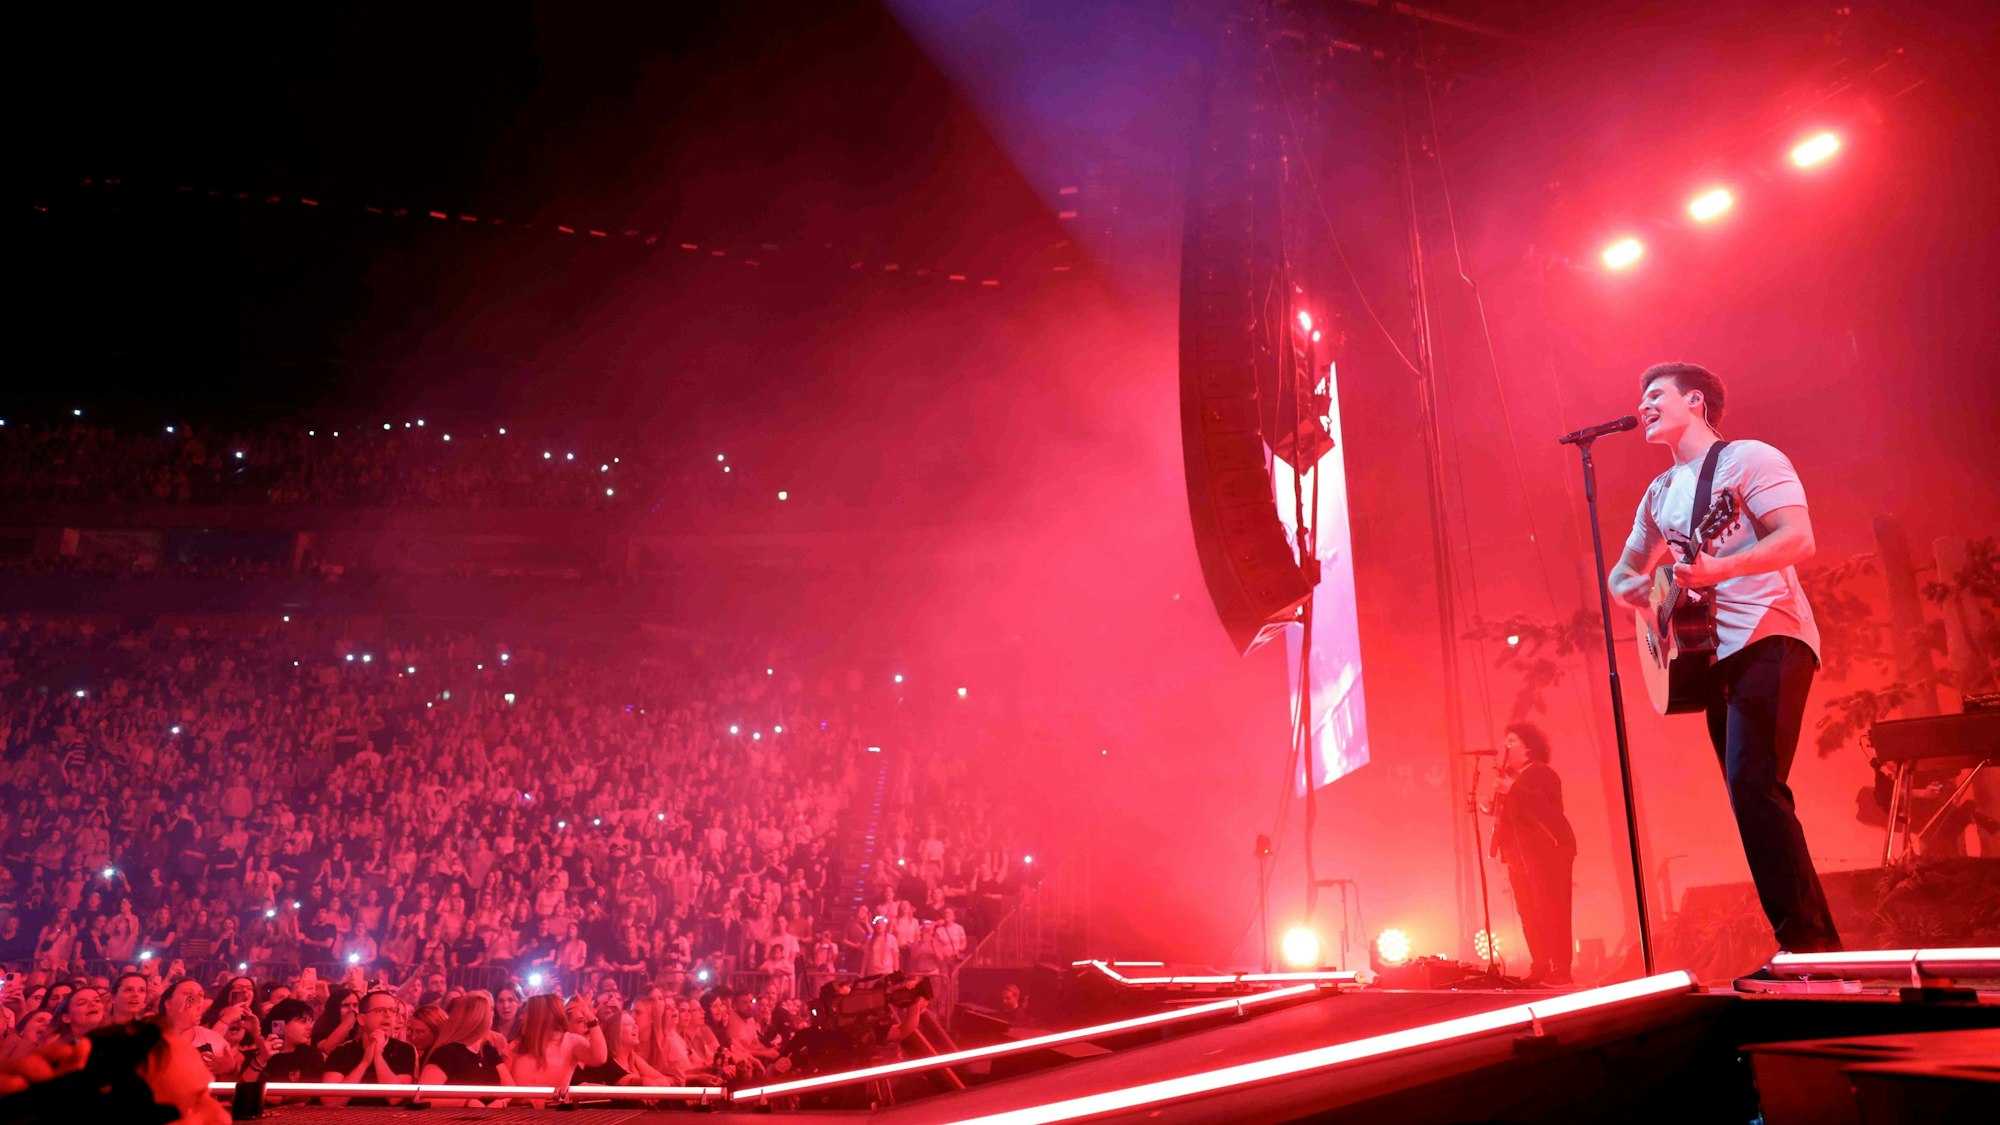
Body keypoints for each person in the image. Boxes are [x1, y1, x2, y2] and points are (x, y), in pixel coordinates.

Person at [1608, 361, 1841, 956]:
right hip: (1711, 656)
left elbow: (1798, 537)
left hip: (1772, 632)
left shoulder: (1749, 459)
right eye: (1641, 397)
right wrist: (1639, 595)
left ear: (1696, 401)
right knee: (1749, 795)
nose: (1643, 405)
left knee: (1754, 783)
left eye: (1655, 394)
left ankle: (1809, 950)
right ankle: (1813, 948)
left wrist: (1723, 568)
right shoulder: (1658, 493)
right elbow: (1623, 572)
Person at [1489, 723, 1577, 985]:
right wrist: (1491, 808)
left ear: (1528, 747)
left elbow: (1545, 809)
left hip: (1548, 851)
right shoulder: (1515, 779)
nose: (1506, 745)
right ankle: (1540, 965)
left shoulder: (1542, 773)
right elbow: (1517, 817)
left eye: (1512, 740)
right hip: (1520, 857)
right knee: (1528, 913)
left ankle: (1560, 970)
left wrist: (1512, 789)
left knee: (1552, 910)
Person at [320, 989, 417, 1106]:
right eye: (380, 1010)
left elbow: (396, 1098)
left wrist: (378, 1056)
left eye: (392, 1011)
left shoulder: (405, 1051)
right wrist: (364, 1063)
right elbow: (330, 1100)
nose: (388, 1015)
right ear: (362, 1019)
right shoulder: (342, 1052)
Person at [418, 991, 514, 1108]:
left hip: (489, 1116)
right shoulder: (447, 1053)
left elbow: (510, 1088)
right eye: (489, 1011)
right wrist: (465, 1101)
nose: (492, 1015)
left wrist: (502, 1102)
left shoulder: (488, 1049)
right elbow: (423, 1097)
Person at [505, 993, 605, 1097]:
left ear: (540, 1016)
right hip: (518, 1107)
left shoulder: (570, 1042)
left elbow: (599, 1058)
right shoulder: (515, 1046)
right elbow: (503, 1086)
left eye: (526, 1012)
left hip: (554, 1107)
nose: (520, 1017)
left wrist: (591, 1018)